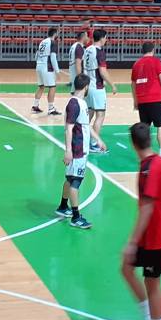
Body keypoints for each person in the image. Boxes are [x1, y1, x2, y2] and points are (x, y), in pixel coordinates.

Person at [122, 122, 161, 320]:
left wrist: (132, 242)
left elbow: (148, 208)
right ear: (150, 139)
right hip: (149, 235)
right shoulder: (151, 163)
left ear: (133, 144)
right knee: (127, 269)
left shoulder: (152, 167)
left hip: (157, 237)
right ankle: (151, 319)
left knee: (152, 283)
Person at [56, 74, 93, 229]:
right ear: (86, 87)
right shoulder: (74, 104)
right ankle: (76, 217)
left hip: (80, 148)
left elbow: (85, 126)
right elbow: (68, 129)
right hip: (77, 150)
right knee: (75, 181)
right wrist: (68, 151)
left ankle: (63, 206)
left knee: (70, 178)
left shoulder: (81, 103)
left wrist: (98, 140)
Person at [131, 41, 161, 170]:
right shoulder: (156, 62)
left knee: (145, 129)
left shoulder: (136, 64)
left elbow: (133, 84)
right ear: (153, 50)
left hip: (142, 100)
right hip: (155, 99)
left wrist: (135, 100)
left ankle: (145, 159)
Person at [83, 29, 117, 153]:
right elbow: (102, 72)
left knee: (89, 114)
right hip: (97, 88)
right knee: (100, 115)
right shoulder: (99, 52)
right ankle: (94, 143)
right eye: (106, 37)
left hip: (87, 86)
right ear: (102, 38)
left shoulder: (87, 49)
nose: (106, 40)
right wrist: (112, 85)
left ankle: (82, 139)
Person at [33, 27, 61, 115]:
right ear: (55, 34)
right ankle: (51, 109)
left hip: (39, 65)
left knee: (41, 86)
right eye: (58, 33)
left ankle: (35, 106)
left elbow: (36, 55)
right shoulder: (53, 42)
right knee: (52, 87)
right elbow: (53, 58)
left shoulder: (42, 42)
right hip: (46, 66)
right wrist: (57, 71)